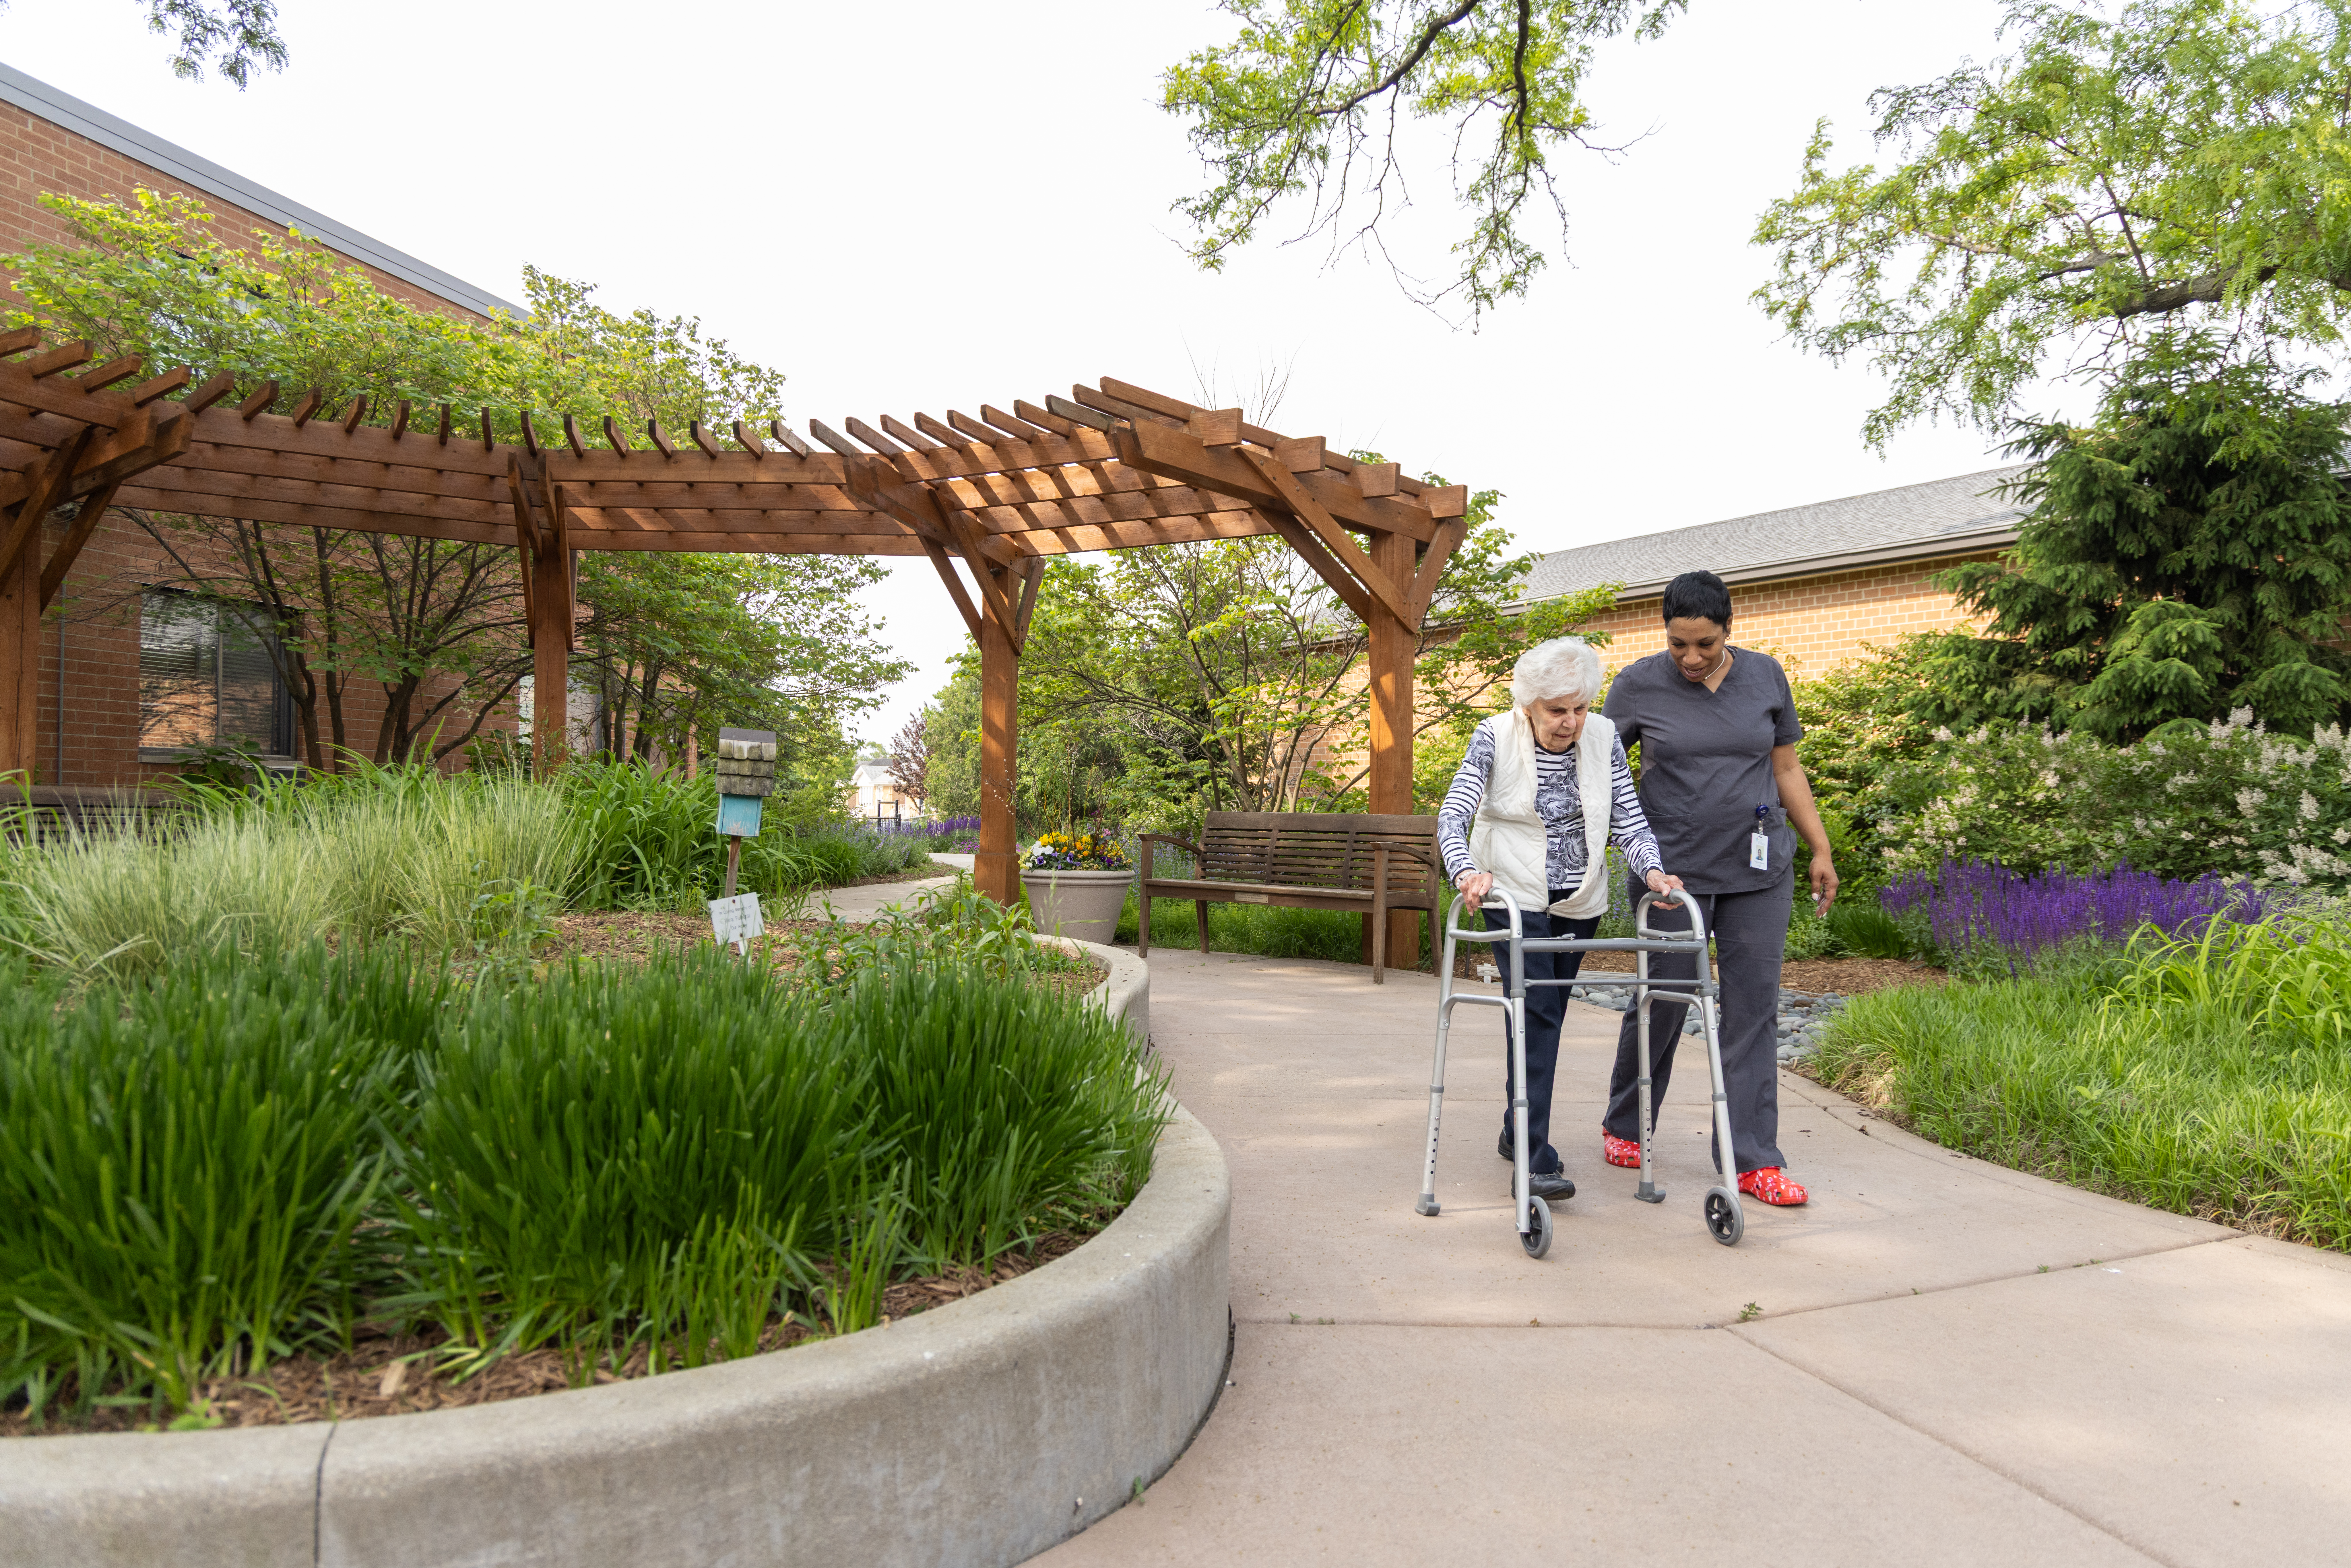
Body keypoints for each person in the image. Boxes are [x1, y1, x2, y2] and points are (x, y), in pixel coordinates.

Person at [1597, 571, 1838, 1206]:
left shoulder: (1765, 677)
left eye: (1704, 644)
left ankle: (1751, 1158)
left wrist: (1820, 846)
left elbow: (1785, 765)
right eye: (1678, 644)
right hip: (1671, 872)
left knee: (1753, 1006)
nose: (1691, 658)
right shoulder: (1638, 684)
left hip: (1758, 871)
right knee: (1667, 994)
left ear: (1728, 628)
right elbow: (1600, 770)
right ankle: (1627, 1118)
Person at [1439, 636, 1684, 1202]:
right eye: (1557, 709)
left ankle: (1515, 1128)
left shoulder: (1602, 739)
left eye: (1579, 706)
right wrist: (1465, 872)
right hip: (1511, 892)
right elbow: (1454, 815)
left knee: (1541, 1016)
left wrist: (1653, 872)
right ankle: (1533, 1153)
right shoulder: (1494, 736)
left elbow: (1629, 819)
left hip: (1578, 898)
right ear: (1528, 704)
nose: (1571, 720)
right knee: (1539, 1013)